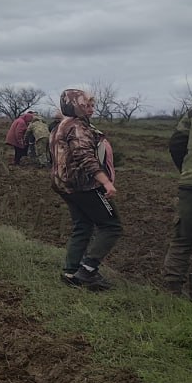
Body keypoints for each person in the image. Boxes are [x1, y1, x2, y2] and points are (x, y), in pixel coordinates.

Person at [50, 88, 121, 291]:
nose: (89, 109)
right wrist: (105, 181)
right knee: (112, 225)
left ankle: (70, 272)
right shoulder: (78, 127)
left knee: (83, 225)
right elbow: (84, 156)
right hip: (84, 185)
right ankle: (87, 270)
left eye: (91, 105)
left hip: (64, 185)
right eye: (84, 104)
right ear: (75, 105)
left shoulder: (59, 126)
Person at [161, 106, 192, 294]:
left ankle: (172, 290)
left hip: (190, 186)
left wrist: (187, 170)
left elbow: (177, 143)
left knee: (183, 237)